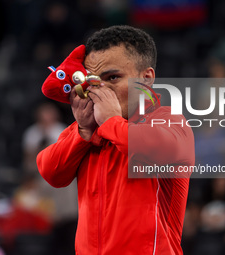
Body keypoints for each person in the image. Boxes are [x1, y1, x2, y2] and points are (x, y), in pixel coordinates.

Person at [37, 25, 195, 254]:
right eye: (93, 81)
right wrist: (83, 131)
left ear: (146, 78)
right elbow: (51, 172)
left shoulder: (168, 120)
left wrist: (110, 121)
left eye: (113, 77)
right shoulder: (87, 131)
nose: (101, 90)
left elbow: (156, 148)